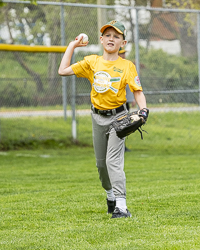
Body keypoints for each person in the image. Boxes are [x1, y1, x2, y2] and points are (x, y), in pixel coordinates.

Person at [58, 20, 149, 218]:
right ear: (101, 39)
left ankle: (122, 206)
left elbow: (138, 91)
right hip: (97, 117)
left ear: (123, 43)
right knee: (101, 164)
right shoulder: (92, 62)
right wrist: (73, 45)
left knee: (112, 161)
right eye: (107, 35)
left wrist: (144, 110)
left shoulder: (127, 66)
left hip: (119, 117)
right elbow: (63, 71)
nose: (111, 39)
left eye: (116, 36)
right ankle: (110, 196)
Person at [118, 47, 136, 152]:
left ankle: (122, 146)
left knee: (123, 124)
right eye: (121, 53)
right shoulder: (113, 66)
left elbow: (130, 84)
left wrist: (132, 98)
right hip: (116, 102)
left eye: (124, 53)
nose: (123, 55)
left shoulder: (127, 65)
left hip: (125, 101)